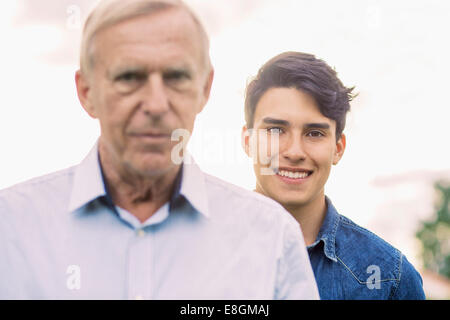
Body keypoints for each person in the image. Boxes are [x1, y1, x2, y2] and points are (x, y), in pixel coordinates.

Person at [0, 1, 319, 300]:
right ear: (86, 92)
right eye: (129, 77)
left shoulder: (272, 238)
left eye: (176, 77)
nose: (155, 104)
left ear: (205, 89)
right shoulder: (11, 230)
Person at [242, 51, 426, 299]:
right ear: (248, 141)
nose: (294, 152)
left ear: (338, 148)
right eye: (276, 130)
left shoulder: (389, 279)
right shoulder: (192, 248)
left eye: (314, 133)